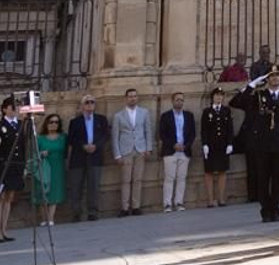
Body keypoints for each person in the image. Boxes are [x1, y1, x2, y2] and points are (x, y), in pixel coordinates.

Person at [233, 67, 279, 222]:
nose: (274, 79)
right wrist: (251, 85)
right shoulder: (259, 96)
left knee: (278, 178)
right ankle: (265, 210)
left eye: (277, 76)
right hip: (262, 144)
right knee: (263, 178)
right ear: (267, 79)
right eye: (271, 76)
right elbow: (236, 102)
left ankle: (276, 209)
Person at [64, 95, 109, 222]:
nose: (90, 105)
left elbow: (105, 136)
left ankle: (93, 212)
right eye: (87, 102)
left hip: (95, 157)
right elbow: (72, 139)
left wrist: (96, 146)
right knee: (76, 186)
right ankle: (76, 212)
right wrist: (83, 146)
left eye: (92, 102)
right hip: (78, 158)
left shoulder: (101, 120)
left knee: (94, 186)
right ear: (82, 105)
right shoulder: (75, 122)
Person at [112, 87, 154, 216]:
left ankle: (136, 206)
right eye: (130, 96)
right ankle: (124, 207)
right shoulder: (118, 116)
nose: (133, 98)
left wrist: (149, 148)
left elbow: (148, 130)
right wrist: (117, 154)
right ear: (126, 98)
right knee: (125, 180)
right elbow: (115, 136)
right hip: (126, 150)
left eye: (135, 96)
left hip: (140, 149)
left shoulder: (144, 112)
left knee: (138, 179)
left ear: (137, 98)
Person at [0, 96, 25, 243]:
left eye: (17, 107)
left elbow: (24, 145)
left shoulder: (22, 124)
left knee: (9, 197)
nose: (15, 109)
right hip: (1, 164)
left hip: (16, 164)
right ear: (5, 109)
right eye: (12, 107)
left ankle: (4, 229)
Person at [161, 92, 196, 212]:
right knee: (169, 178)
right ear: (172, 101)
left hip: (184, 151)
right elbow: (162, 134)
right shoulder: (166, 116)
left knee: (182, 178)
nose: (179, 102)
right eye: (177, 100)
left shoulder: (189, 116)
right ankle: (167, 203)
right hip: (170, 151)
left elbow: (192, 133)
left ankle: (179, 202)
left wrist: (186, 146)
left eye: (181, 100)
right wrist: (173, 145)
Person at [200, 87, 235, 207]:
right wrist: (204, 144)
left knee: (222, 171)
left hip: (223, 146)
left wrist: (230, 143)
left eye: (221, 95)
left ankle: (221, 198)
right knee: (209, 171)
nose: (219, 97)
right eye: (217, 95)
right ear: (212, 97)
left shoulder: (226, 111)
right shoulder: (207, 112)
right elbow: (204, 130)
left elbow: (230, 128)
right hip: (211, 146)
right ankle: (210, 199)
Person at [31, 112, 67, 226]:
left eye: (56, 122)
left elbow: (66, 151)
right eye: (51, 122)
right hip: (44, 166)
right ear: (46, 123)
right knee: (43, 191)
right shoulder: (40, 138)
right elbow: (33, 153)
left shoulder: (63, 137)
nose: (54, 124)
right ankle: (44, 219)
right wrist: (41, 154)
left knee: (55, 191)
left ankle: (50, 218)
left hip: (58, 166)